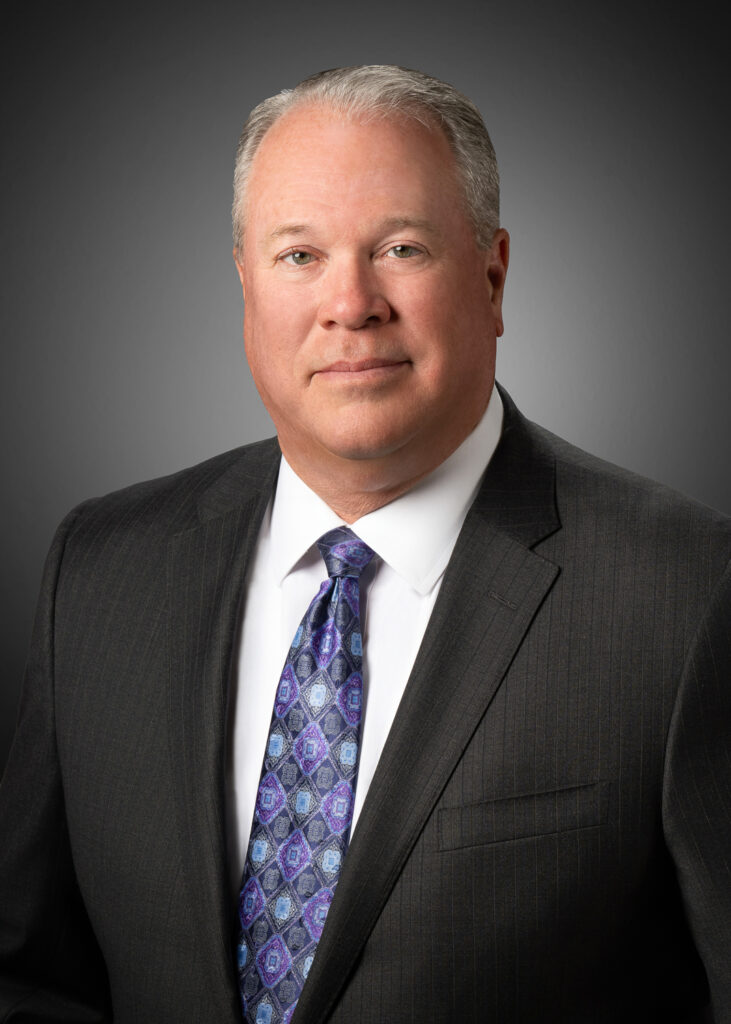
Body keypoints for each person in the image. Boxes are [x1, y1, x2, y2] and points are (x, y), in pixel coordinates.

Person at [1, 65, 729, 1024]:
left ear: (493, 274)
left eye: (400, 247)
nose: (351, 303)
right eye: (298, 255)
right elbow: (29, 978)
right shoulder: (102, 569)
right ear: (245, 284)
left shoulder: (685, 589)